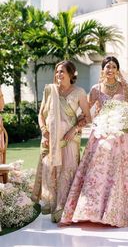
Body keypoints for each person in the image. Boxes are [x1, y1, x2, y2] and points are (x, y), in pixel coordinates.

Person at [60, 56, 128, 227]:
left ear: (118, 70)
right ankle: (92, 210)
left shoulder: (125, 87)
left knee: (121, 171)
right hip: (101, 135)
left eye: (113, 67)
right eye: (107, 67)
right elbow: (86, 112)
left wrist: (121, 123)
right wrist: (74, 127)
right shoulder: (96, 89)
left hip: (121, 136)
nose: (110, 70)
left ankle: (119, 211)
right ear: (103, 70)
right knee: (97, 170)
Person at [32, 60, 90, 223]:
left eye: (62, 71)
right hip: (50, 140)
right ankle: (52, 204)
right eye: (57, 71)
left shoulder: (79, 92)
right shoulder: (50, 91)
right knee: (51, 171)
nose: (58, 74)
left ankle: (64, 210)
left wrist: (75, 130)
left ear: (71, 74)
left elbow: (87, 116)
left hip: (69, 141)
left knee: (67, 173)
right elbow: (41, 114)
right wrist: (44, 132)